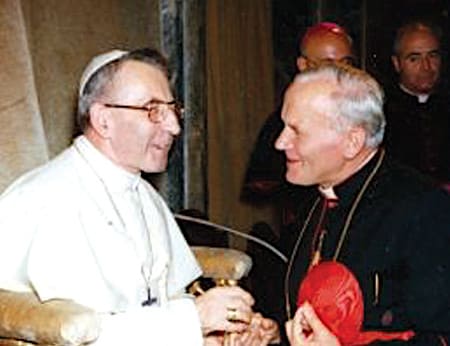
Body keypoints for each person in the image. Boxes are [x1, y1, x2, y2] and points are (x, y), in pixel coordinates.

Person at [0, 48, 277, 345]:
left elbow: (155, 307)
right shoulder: (45, 199)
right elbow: (76, 333)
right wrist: (193, 319)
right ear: (103, 119)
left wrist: (217, 337)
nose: (174, 126)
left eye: (173, 109)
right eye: (153, 110)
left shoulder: (144, 194)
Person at [274, 63, 450, 345]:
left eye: (296, 131)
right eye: (283, 126)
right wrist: (272, 333)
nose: (280, 142)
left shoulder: (424, 209)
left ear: (352, 142)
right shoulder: (311, 197)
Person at [242, 22, 355, 226]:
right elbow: (262, 184)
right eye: (329, 64)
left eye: (346, 63)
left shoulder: (363, 114)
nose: (340, 73)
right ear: (303, 66)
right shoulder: (283, 123)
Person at [384, 18, 450, 184]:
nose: (426, 67)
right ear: (397, 63)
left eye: (432, 56)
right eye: (414, 58)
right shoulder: (381, 109)